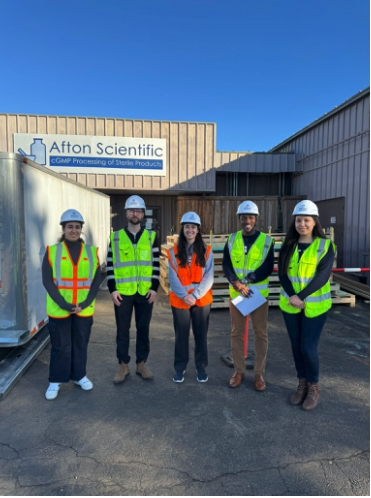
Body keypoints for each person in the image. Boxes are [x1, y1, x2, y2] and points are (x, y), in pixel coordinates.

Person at [278, 200, 335, 411]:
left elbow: (322, 277)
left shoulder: (325, 245)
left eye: (306, 220)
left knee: (308, 348)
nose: (302, 224)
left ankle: (313, 387)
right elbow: (283, 274)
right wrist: (293, 296)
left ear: (314, 222)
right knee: (295, 346)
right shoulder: (288, 246)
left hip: (315, 307)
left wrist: (301, 295)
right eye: (299, 220)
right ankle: (301, 384)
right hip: (291, 305)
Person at [42, 209, 100, 400]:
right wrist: (65, 304)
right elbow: (47, 281)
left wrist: (86, 302)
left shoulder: (92, 252)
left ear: (81, 229)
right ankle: (55, 380)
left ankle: (79, 376)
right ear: (63, 229)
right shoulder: (52, 251)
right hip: (60, 309)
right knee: (61, 346)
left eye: (77, 227)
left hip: (83, 308)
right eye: (70, 227)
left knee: (80, 344)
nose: (74, 230)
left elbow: (96, 281)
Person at [107, 195, 159, 383]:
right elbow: (111, 265)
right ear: (126, 213)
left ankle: (141, 364)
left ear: (143, 214)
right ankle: (123, 366)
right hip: (122, 293)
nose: (135, 213)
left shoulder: (151, 236)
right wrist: (112, 289)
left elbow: (155, 265)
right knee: (122, 330)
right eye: (131, 210)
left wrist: (154, 288)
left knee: (143, 329)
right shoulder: (115, 237)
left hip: (145, 292)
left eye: (138, 210)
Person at [222, 200, 274, 390]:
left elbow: (267, 267)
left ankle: (259, 375)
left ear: (256, 219)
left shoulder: (267, 241)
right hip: (237, 294)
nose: (247, 221)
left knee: (260, 334)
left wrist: (247, 281)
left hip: (257, 295)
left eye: (250, 217)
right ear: (239, 219)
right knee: (237, 333)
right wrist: (236, 282)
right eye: (244, 217)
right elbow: (226, 264)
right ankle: (239, 371)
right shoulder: (232, 239)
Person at [167, 212, 214, 383]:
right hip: (180, 301)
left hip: (201, 301)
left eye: (193, 227)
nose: (190, 230)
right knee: (181, 336)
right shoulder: (173, 252)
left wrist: (194, 296)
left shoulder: (207, 251)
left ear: (198, 229)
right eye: (187, 227)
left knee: (201, 336)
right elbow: (172, 278)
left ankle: (201, 368)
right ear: (182, 229)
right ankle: (180, 368)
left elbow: (209, 276)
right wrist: (185, 296)